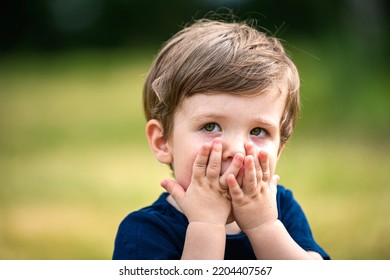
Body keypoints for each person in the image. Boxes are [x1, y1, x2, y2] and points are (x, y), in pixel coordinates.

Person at [112, 18, 330, 260]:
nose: (236, 150)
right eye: (211, 126)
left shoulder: (281, 208)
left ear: (278, 149)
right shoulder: (144, 231)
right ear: (163, 142)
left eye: (258, 131)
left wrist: (264, 227)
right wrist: (206, 225)